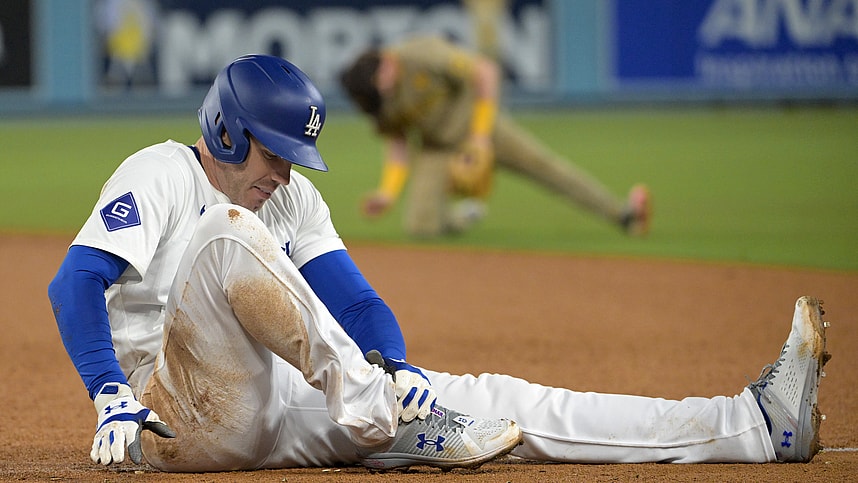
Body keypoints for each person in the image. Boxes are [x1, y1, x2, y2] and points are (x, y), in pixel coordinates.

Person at [48, 54, 829, 473]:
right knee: (227, 227)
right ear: (223, 132)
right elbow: (73, 280)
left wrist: (399, 364)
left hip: (272, 407)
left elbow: (356, 305)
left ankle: (755, 425)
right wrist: (108, 390)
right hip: (166, 416)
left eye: (297, 156)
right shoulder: (163, 171)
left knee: (500, 405)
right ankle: (373, 406)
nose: (286, 171)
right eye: (274, 150)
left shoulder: (287, 201)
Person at [339, 35, 651, 238]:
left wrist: (480, 136)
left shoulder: (421, 54)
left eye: (383, 82)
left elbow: (485, 72)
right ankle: (460, 218)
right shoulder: (377, 97)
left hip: (480, 127)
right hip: (438, 148)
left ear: (387, 62)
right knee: (420, 228)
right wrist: (388, 193)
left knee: (548, 169)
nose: (386, 92)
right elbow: (398, 143)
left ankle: (623, 213)